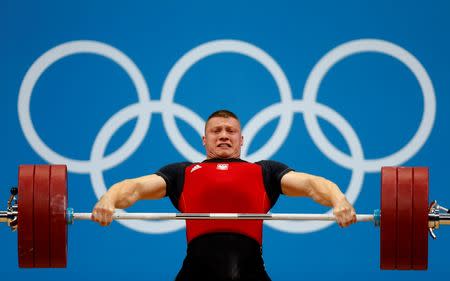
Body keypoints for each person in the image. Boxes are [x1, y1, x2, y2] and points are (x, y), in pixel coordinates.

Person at [91, 109, 357, 281]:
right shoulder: (182, 173)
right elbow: (134, 188)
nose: (223, 136)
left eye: (230, 131)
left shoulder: (264, 171)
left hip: (250, 268)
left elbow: (311, 184)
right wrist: (108, 199)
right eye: (216, 131)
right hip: (196, 270)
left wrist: (339, 199)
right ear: (204, 140)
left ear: (242, 140)